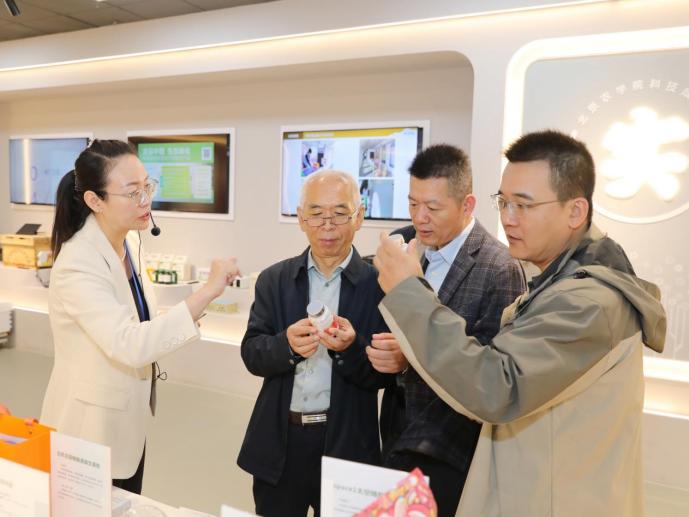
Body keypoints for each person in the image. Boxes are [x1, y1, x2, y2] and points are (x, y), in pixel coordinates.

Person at [374, 130, 666, 517]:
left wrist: (409, 292)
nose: (508, 218)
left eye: (524, 205)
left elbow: (496, 386)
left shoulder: (587, 303)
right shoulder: (562, 282)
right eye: (504, 202)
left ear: (575, 212)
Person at [40, 140, 239, 495]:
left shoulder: (128, 244)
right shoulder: (78, 262)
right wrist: (206, 292)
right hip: (89, 430)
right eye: (132, 192)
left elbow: (139, 321)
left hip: (125, 422)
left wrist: (186, 312)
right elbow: (129, 343)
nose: (145, 200)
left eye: (148, 186)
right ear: (95, 200)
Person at [367, 144, 524, 517]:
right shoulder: (405, 247)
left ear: (467, 205)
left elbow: (489, 374)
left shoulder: (498, 268)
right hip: (397, 433)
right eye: (413, 204)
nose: (420, 218)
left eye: (433, 208)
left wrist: (410, 358)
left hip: (452, 449)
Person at [237, 170, 390, 517]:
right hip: (282, 440)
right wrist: (286, 346)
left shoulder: (379, 284)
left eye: (340, 213)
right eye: (317, 214)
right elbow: (252, 353)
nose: (328, 225)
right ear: (301, 218)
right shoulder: (275, 279)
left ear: (359, 217)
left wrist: (351, 348)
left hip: (348, 442)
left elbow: (386, 377)